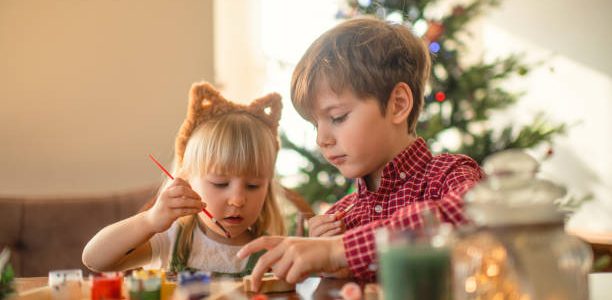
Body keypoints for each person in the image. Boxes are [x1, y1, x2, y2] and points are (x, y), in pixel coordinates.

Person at [237, 17, 483, 290]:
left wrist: (338, 250)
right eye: (315, 124)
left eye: (338, 117)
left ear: (398, 105)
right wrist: (327, 261)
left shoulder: (448, 176)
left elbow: (473, 211)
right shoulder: (342, 217)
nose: (322, 139)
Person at [82, 82, 286, 276]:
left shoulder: (272, 251)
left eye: (253, 185)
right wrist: (149, 220)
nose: (238, 199)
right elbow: (94, 259)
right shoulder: (169, 240)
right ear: (187, 181)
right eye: (220, 183)